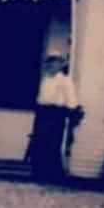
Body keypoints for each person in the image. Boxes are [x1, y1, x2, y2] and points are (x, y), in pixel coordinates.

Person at [29, 44, 81, 183]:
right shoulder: (45, 80)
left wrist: (71, 113)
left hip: (56, 115)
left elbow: (71, 101)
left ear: (60, 64)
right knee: (39, 143)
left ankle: (53, 176)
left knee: (53, 145)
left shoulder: (65, 81)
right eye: (50, 61)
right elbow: (41, 98)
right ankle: (39, 175)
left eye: (55, 62)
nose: (52, 64)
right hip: (42, 113)